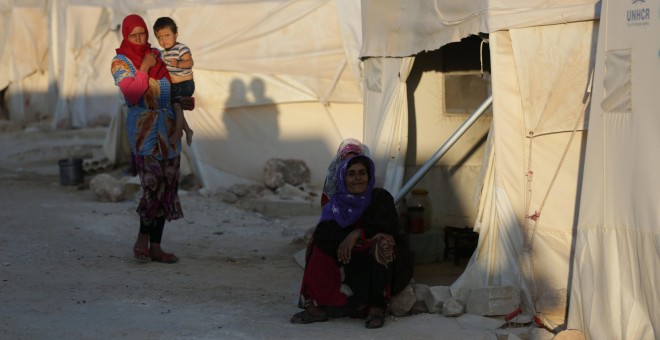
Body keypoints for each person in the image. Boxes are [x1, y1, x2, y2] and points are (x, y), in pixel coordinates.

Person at [291, 155, 411, 329]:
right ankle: (316, 308)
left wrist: (358, 233)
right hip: (347, 258)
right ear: (343, 178)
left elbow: (388, 225)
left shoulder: (380, 198)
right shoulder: (335, 204)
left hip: (371, 258)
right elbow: (325, 233)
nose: (357, 178)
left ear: (369, 177)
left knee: (383, 242)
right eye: (351, 174)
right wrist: (345, 241)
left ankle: (376, 308)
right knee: (316, 244)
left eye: (362, 173)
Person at [111, 14, 183, 264]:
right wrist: (144, 67)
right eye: (134, 35)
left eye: (143, 33)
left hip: (169, 130)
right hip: (144, 132)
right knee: (152, 185)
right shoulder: (120, 63)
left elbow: (176, 89)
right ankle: (143, 237)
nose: (140, 38)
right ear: (126, 36)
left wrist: (182, 120)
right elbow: (132, 94)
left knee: (168, 186)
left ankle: (156, 246)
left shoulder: (160, 55)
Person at [153, 16, 195, 146]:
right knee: (174, 107)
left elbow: (190, 62)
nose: (163, 40)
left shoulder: (181, 48)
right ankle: (187, 130)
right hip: (174, 86)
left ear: (176, 34)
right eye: (159, 37)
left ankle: (178, 133)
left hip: (185, 84)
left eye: (167, 35)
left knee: (177, 106)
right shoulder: (164, 53)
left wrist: (178, 63)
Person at [320, 138, 368, 206]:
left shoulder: (363, 184)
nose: (350, 166)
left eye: (354, 161)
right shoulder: (332, 185)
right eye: (346, 162)